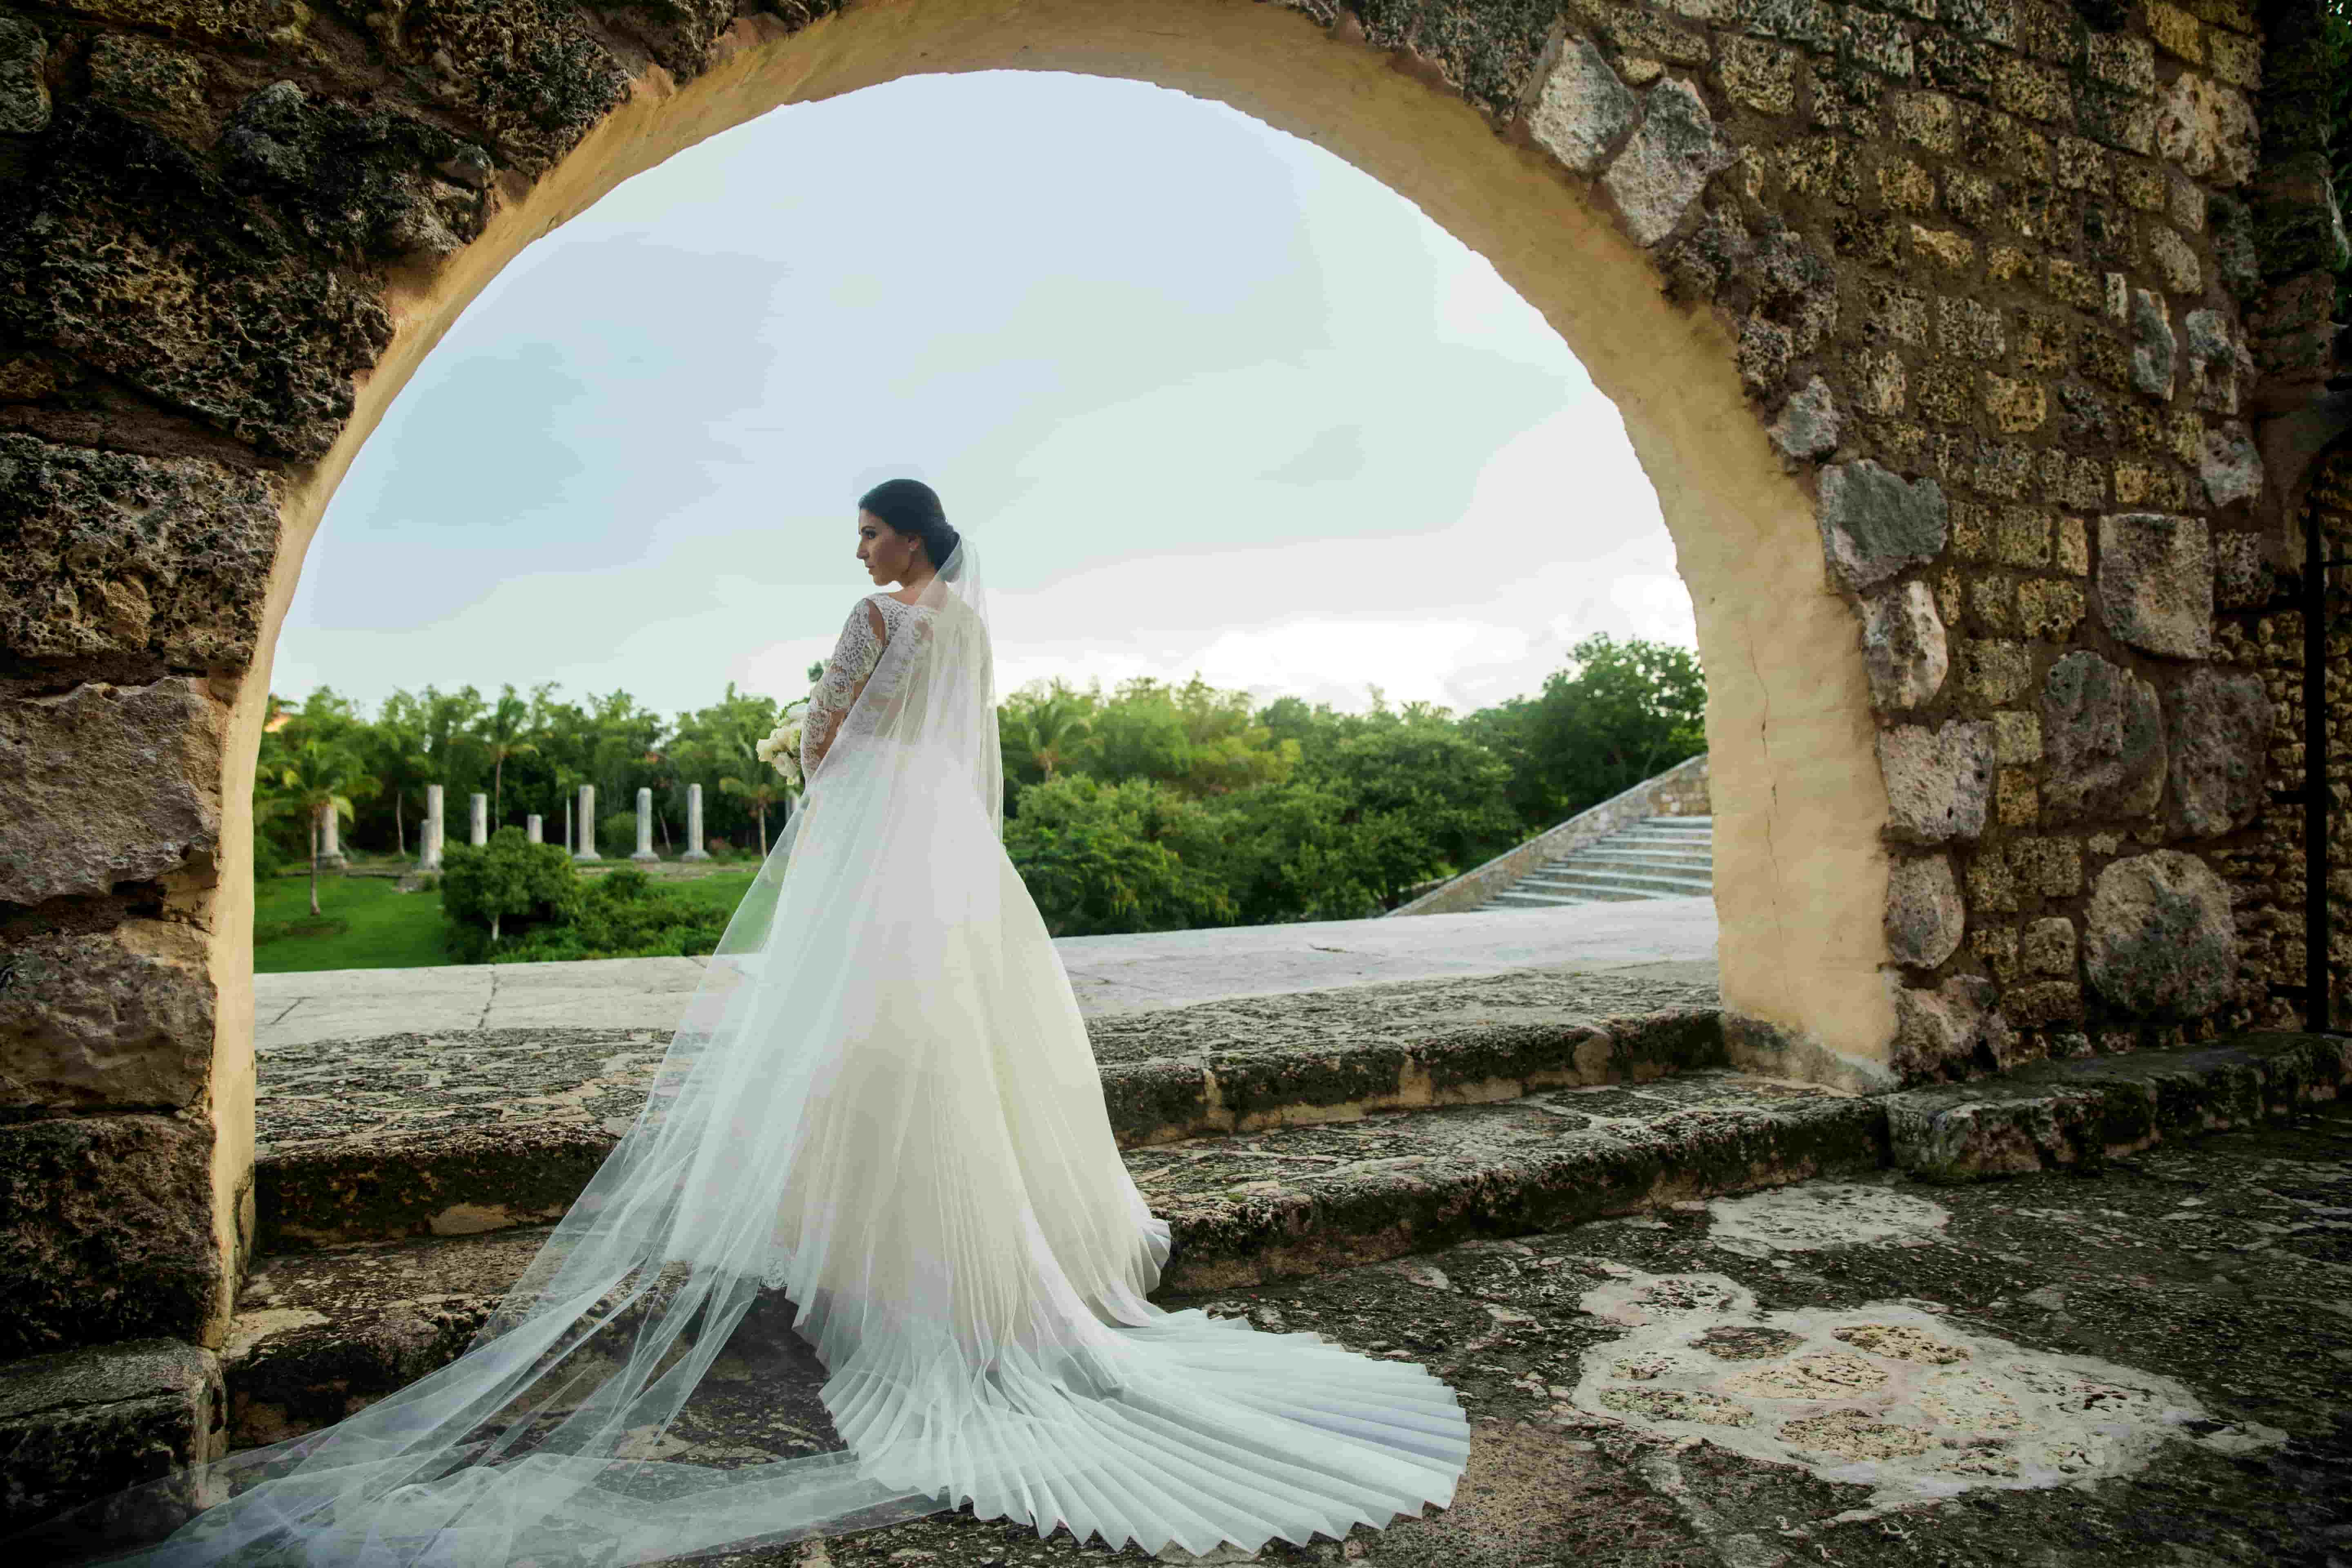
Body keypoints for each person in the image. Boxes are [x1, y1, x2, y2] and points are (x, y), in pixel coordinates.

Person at [26, 479, 1469, 1567]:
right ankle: (951, 1247)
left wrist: (802, 750)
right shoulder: (972, 632)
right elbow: (962, 748)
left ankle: (866, 1249)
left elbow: (835, 734)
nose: (857, 551)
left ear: (906, 539)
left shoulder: (876, 620)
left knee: (844, 1030)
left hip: (872, 839)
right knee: (955, 1036)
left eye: (867, 532)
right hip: (957, 852)